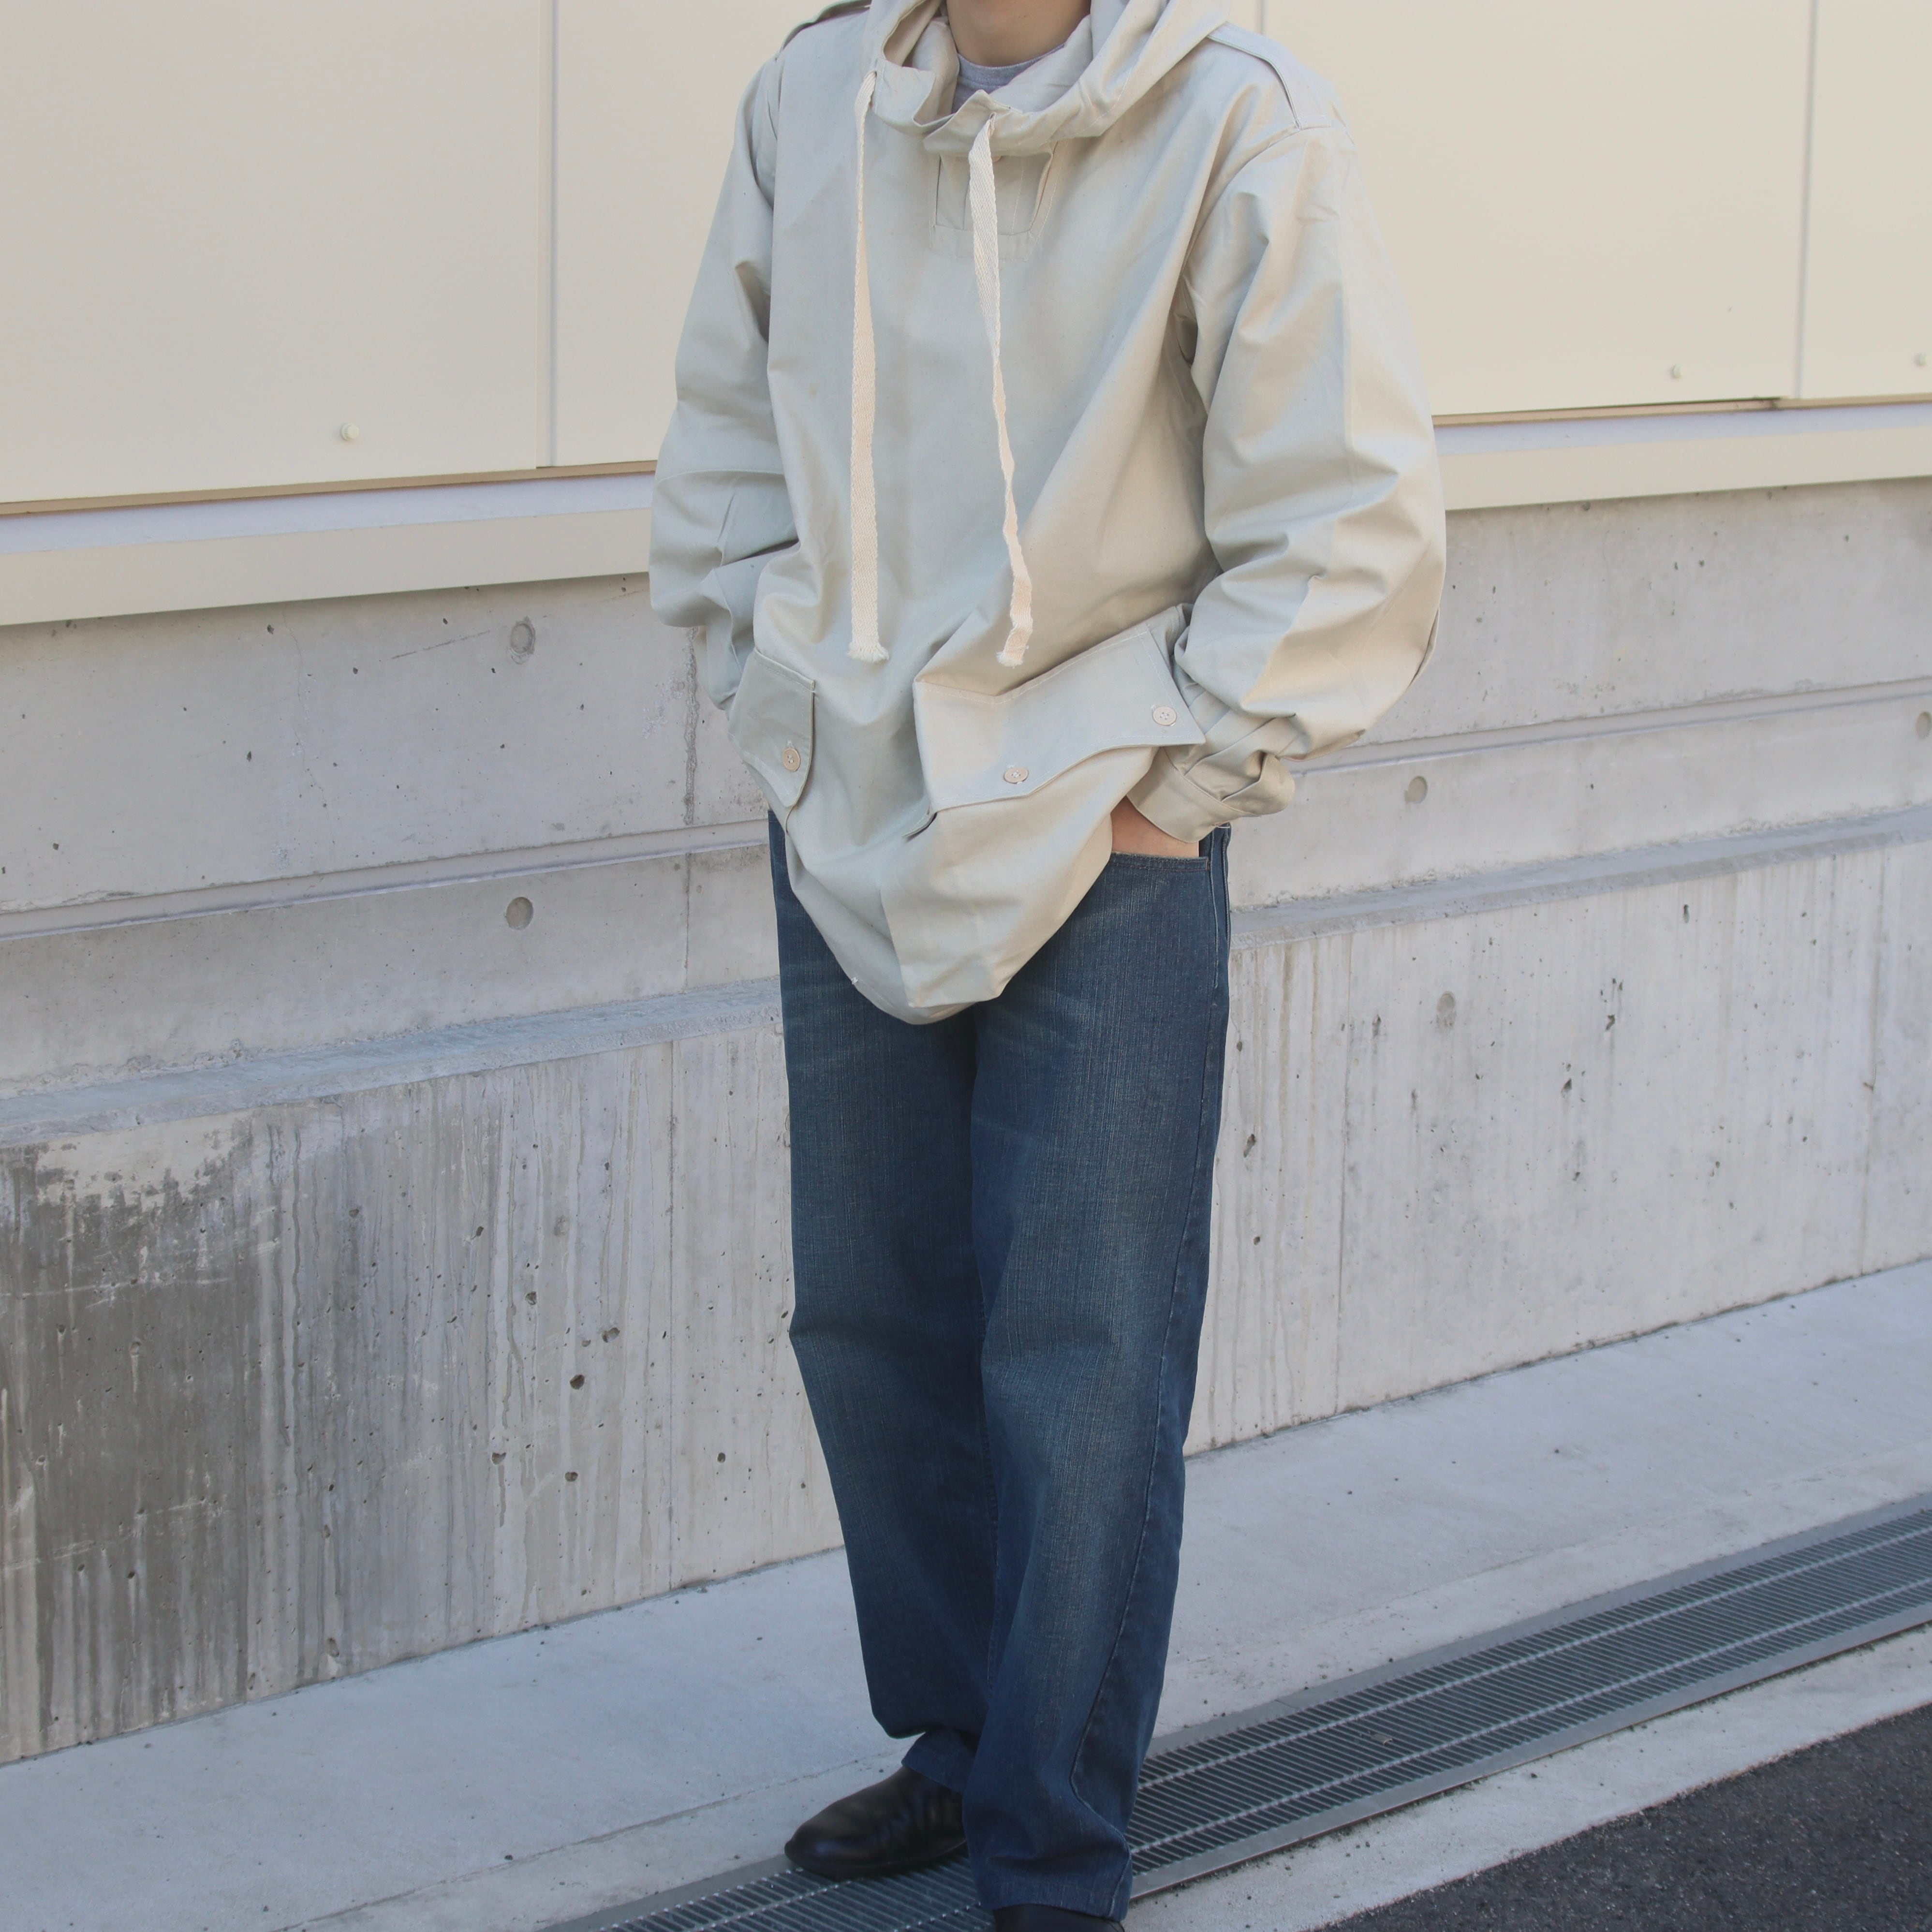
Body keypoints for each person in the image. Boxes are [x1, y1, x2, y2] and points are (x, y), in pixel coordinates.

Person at [649, 0, 1444, 1923]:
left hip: (1108, 826)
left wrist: (1179, 790)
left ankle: (1053, 1841)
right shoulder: (810, 97)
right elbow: (726, 440)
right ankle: (958, 1747)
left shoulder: (1240, 122)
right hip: (852, 806)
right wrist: (780, 717)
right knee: (874, 1320)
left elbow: (1349, 520)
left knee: (1080, 1357)